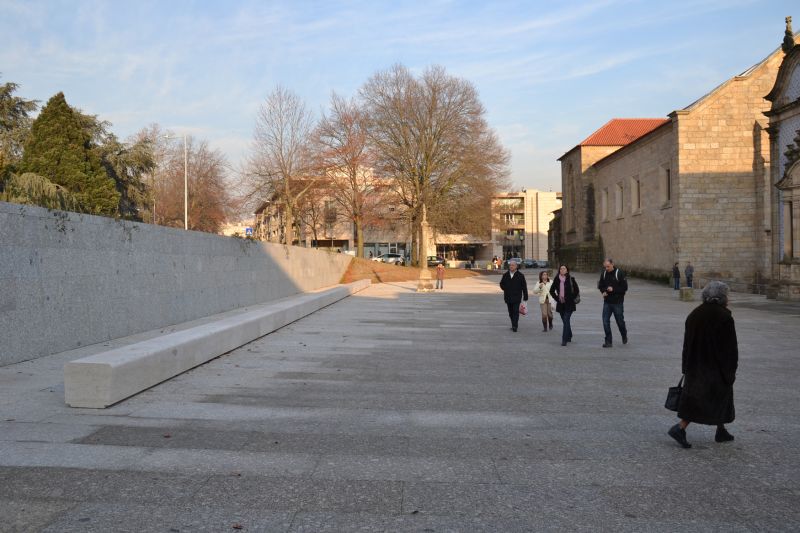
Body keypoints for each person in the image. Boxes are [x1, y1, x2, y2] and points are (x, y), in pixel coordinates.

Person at [668, 281, 738, 449]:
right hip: (715, 368)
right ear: (722, 297)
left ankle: (721, 430)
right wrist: (730, 370)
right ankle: (679, 428)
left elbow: (687, 343)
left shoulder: (695, 314)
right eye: (727, 295)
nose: (729, 298)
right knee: (703, 401)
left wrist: (685, 366)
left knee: (710, 398)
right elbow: (729, 348)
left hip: (695, 365)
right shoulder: (724, 317)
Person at [598, 259, 628, 348]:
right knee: (605, 321)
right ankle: (608, 341)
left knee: (620, 321)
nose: (606, 268)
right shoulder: (603, 273)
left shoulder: (619, 273)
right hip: (607, 302)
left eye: (608, 266)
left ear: (612, 264)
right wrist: (603, 291)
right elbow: (600, 285)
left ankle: (624, 334)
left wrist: (613, 289)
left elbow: (624, 288)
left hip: (617, 302)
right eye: (605, 267)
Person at [549, 264, 579, 346]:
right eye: (561, 269)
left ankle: (564, 339)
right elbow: (551, 290)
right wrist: (557, 298)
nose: (562, 270)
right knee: (565, 321)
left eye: (564, 268)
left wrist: (571, 298)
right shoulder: (556, 279)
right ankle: (569, 334)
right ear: (559, 270)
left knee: (566, 319)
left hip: (569, 304)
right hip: (561, 304)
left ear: (567, 270)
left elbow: (576, 290)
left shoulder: (571, 279)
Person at [499, 259, 528, 332]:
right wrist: (505, 288)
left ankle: (515, 326)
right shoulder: (505, 275)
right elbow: (501, 284)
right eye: (510, 265)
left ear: (516, 266)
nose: (511, 266)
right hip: (508, 296)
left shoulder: (520, 275)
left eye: (513, 265)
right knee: (510, 312)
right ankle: (513, 324)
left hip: (517, 297)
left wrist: (525, 296)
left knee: (515, 311)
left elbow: (524, 287)